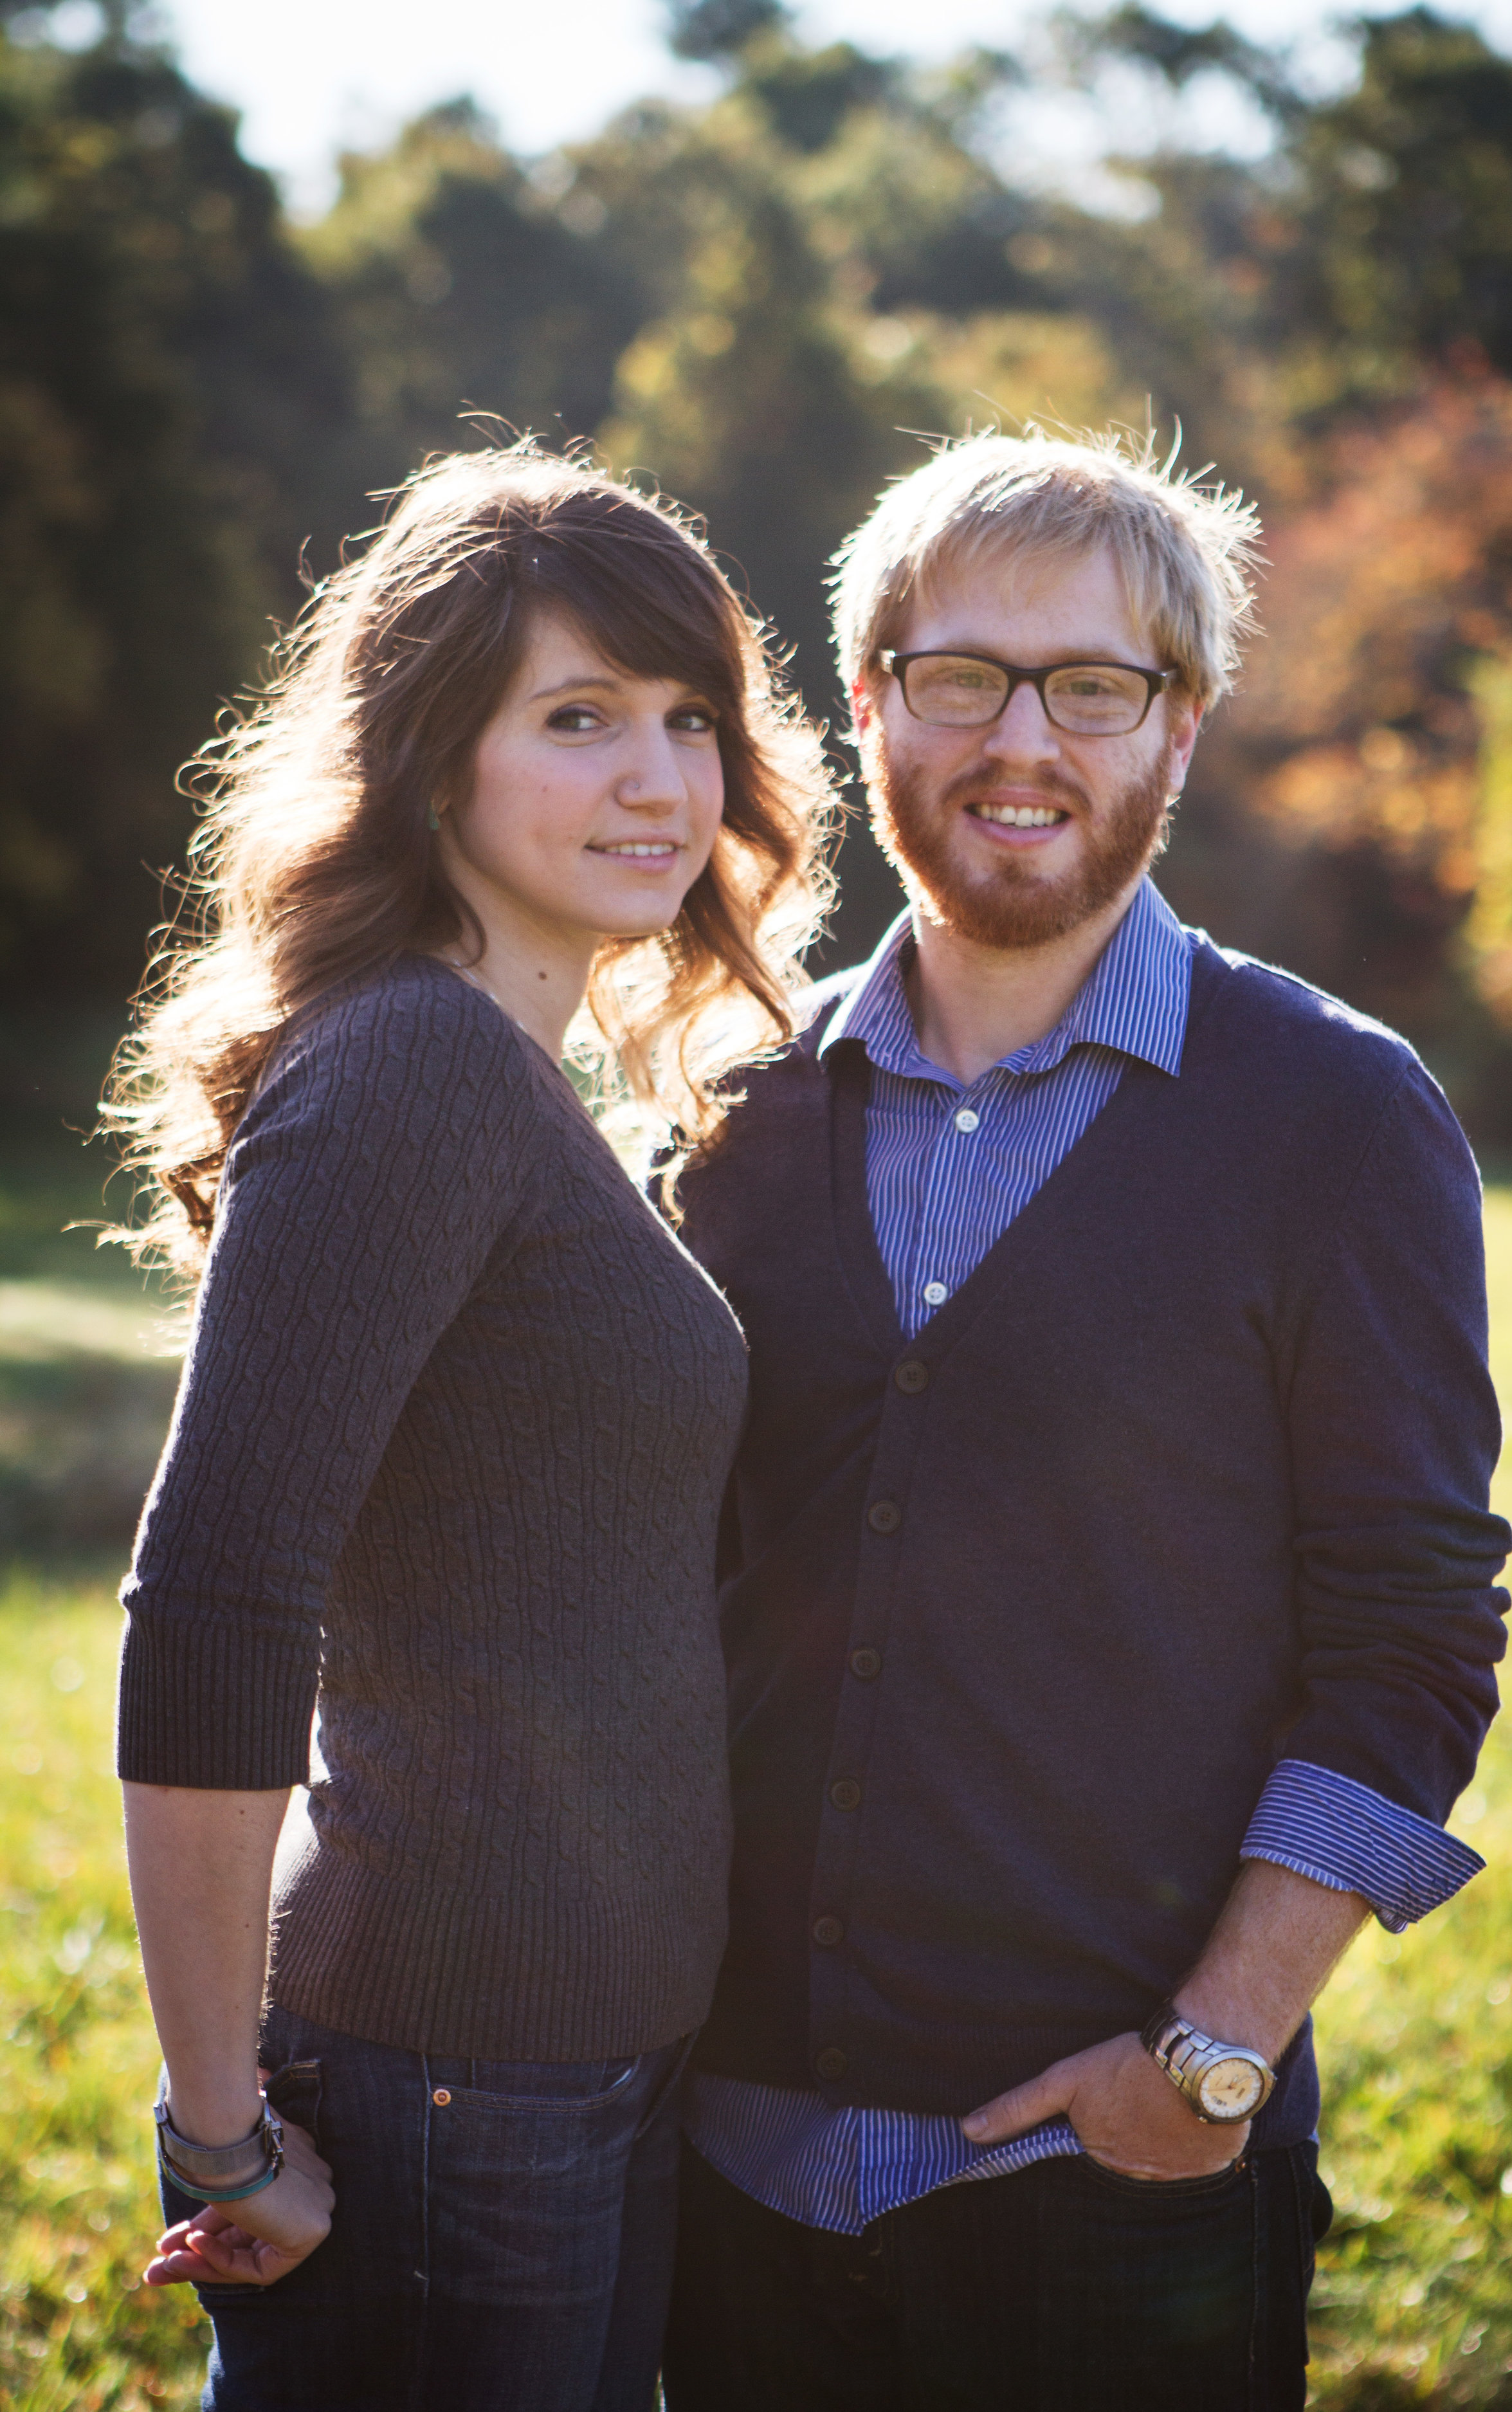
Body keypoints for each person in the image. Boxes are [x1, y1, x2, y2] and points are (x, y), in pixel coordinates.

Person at [658, 429, 1511, 2410]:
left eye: (1095, 686)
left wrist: (1208, 2061)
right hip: (723, 2187)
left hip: (1111, 2183)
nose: (1017, 740)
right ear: (868, 703)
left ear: (1181, 728)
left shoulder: (1335, 1117)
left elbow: (1410, 1634)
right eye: (959, 675)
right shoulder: (722, 1114)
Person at [111, 443, 833, 2412]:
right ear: (434, 758)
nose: (659, 781)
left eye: (691, 720)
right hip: (446, 2088)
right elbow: (213, 1597)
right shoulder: (415, 1065)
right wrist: (218, 2128)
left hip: (569, 2070)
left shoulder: (515, 1081)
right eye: (579, 718)